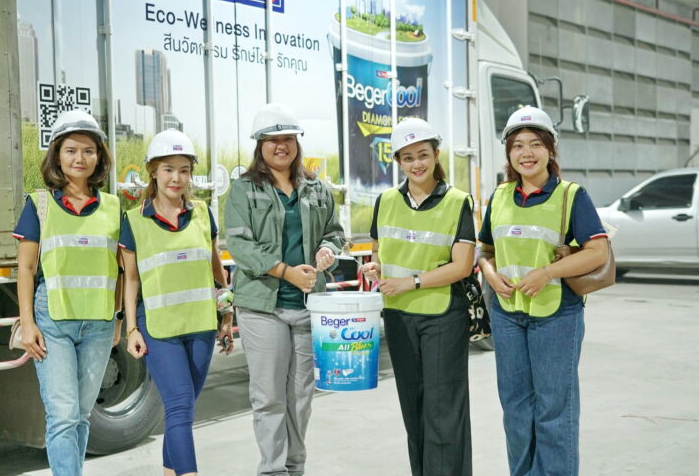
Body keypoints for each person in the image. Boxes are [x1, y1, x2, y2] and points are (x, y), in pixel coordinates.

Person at [477, 106, 608, 476]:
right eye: (518, 145)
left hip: (557, 314)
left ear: (551, 149)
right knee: (516, 409)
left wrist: (546, 273)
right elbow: (484, 250)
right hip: (507, 315)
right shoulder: (500, 196)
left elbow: (597, 251)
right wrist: (491, 274)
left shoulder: (570, 195)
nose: (527, 153)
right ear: (509, 154)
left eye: (535, 144)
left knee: (554, 410)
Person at [224, 103, 345, 476]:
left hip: (308, 307)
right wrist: (286, 272)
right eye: (272, 140)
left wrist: (327, 251)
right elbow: (240, 246)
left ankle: (295, 467)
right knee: (269, 398)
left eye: (288, 138)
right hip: (263, 307)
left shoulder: (317, 188)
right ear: (259, 145)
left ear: (297, 143)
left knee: (301, 397)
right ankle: (274, 470)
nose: (281, 146)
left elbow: (334, 232)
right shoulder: (244, 189)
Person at [359, 118, 475, 476]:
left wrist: (410, 282)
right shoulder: (386, 201)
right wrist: (375, 267)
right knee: (413, 409)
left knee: (443, 411)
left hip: (443, 317)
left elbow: (462, 266)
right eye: (408, 158)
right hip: (398, 316)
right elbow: (379, 251)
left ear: (436, 154)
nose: (417, 164)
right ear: (398, 161)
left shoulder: (457, 202)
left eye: (423, 155)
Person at [13, 110, 123, 476]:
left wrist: (118, 318)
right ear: (57, 156)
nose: (80, 158)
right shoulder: (39, 204)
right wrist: (27, 324)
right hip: (52, 323)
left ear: (99, 156)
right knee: (62, 416)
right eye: (71, 150)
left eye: (89, 150)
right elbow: (26, 269)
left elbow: (121, 270)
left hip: (98, 325)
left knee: (80, 416)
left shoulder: (114, 207)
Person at [120, 129, 233, 476]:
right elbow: (131, 280)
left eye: (184, 170)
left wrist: (227, 314)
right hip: (159, 329)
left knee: (181, 410)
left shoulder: (202, 214)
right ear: (153, 171)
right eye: (168, 169)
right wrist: (131, 329)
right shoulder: (134, 221)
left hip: (201, 326)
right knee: (180, 407)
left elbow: (216, 268)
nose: (176, 178)